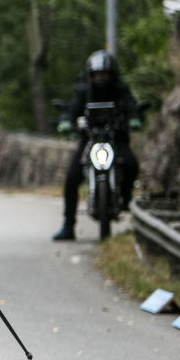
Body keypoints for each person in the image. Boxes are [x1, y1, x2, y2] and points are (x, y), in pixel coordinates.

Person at [53, 51, 142, 241]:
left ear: (112, 75)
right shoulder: (83, 90)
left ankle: (125, 197)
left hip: (116, 139)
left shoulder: (121, 90)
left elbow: (131, 106)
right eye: (97, 74)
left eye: (104, 74)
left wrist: (134, 119)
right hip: (90, 140)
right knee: (71, 179)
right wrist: (66, 120)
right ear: (91, 75)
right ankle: (68, 226)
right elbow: (73, 107)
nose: (101, 78)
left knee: (131, 164)